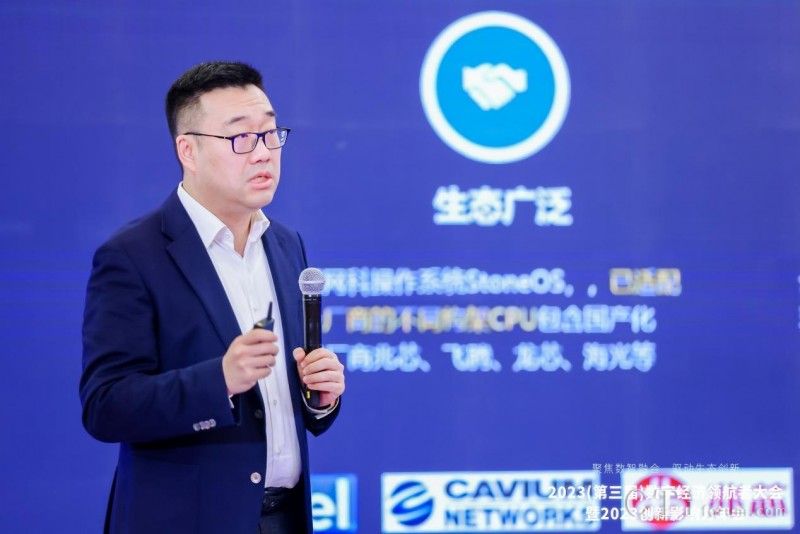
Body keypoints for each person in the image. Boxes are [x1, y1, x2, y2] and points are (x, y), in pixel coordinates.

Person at [79, 61, 345, 534]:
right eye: (241, 138)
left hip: (285, 518)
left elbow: (279, 404)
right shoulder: (133, 255)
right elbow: (106, 405)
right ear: (188, 150)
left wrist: (318, 397)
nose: (263, 153)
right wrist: (219, 380)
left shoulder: (286, 244)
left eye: (271, 133)